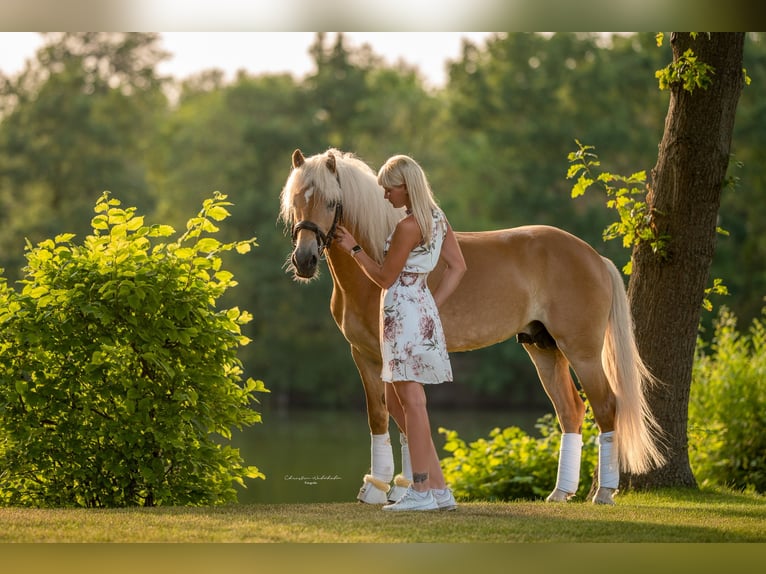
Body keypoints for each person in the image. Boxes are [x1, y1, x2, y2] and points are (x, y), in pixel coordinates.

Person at [334, 154, 467, 511]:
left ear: (406, 187)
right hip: (413, 307)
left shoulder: (410, 226)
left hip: (402, 311)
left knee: (411, 400)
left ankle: (420, 491)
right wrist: (429, 303)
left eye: (388, 188)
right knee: (395, 400)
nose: (384, 195)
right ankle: (440, 491)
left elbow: (383, 277)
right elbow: (458, 267)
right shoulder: (437, 219)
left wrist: (354, 249)